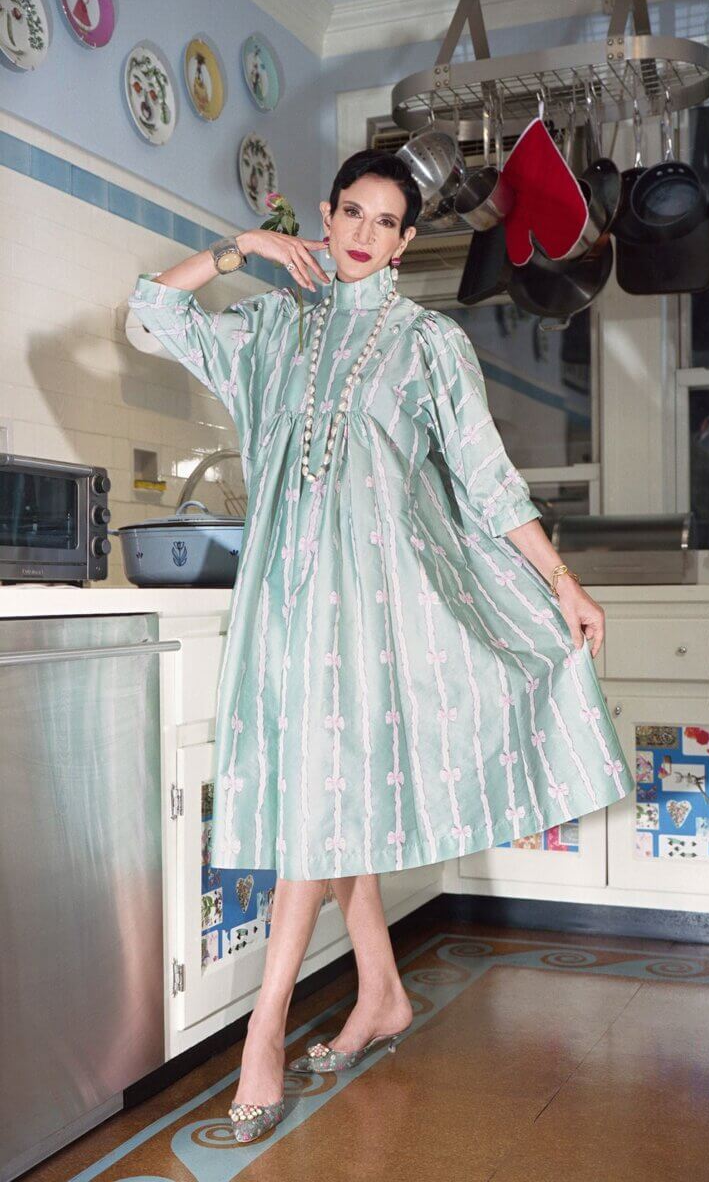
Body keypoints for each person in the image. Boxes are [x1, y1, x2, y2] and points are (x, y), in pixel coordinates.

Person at [128, 149, 635, 1143]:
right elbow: (149, 311)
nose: (360, 233)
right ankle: (381, 998)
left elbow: (487, 484)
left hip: (379, 615)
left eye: (382, 221)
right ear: (324, 215)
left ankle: (262, 1036)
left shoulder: (427, 347)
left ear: (405, 242)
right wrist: (241, 249)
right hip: (284, 603)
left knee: (318, 810)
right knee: (332, 802)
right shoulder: (270, 327)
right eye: (348, 212)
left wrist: (561, 583)